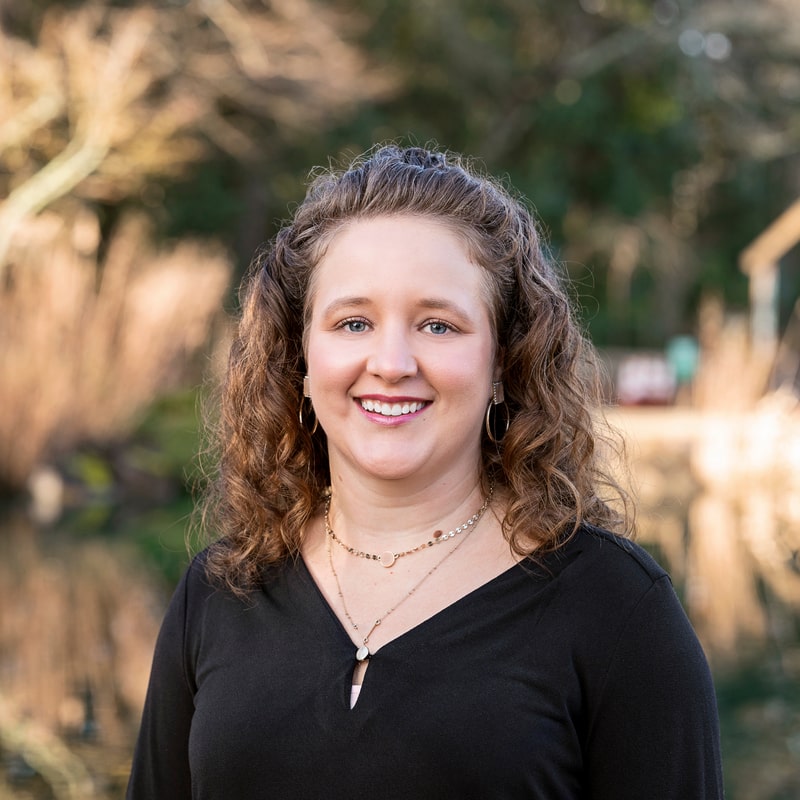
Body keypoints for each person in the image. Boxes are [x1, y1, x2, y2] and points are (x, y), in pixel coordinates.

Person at [126, 144, 724, 799]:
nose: (390, 361)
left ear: (505, 359)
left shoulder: (618, 611)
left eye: (438, 326)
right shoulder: (220, 591)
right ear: (299, 353)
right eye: (353, 322)